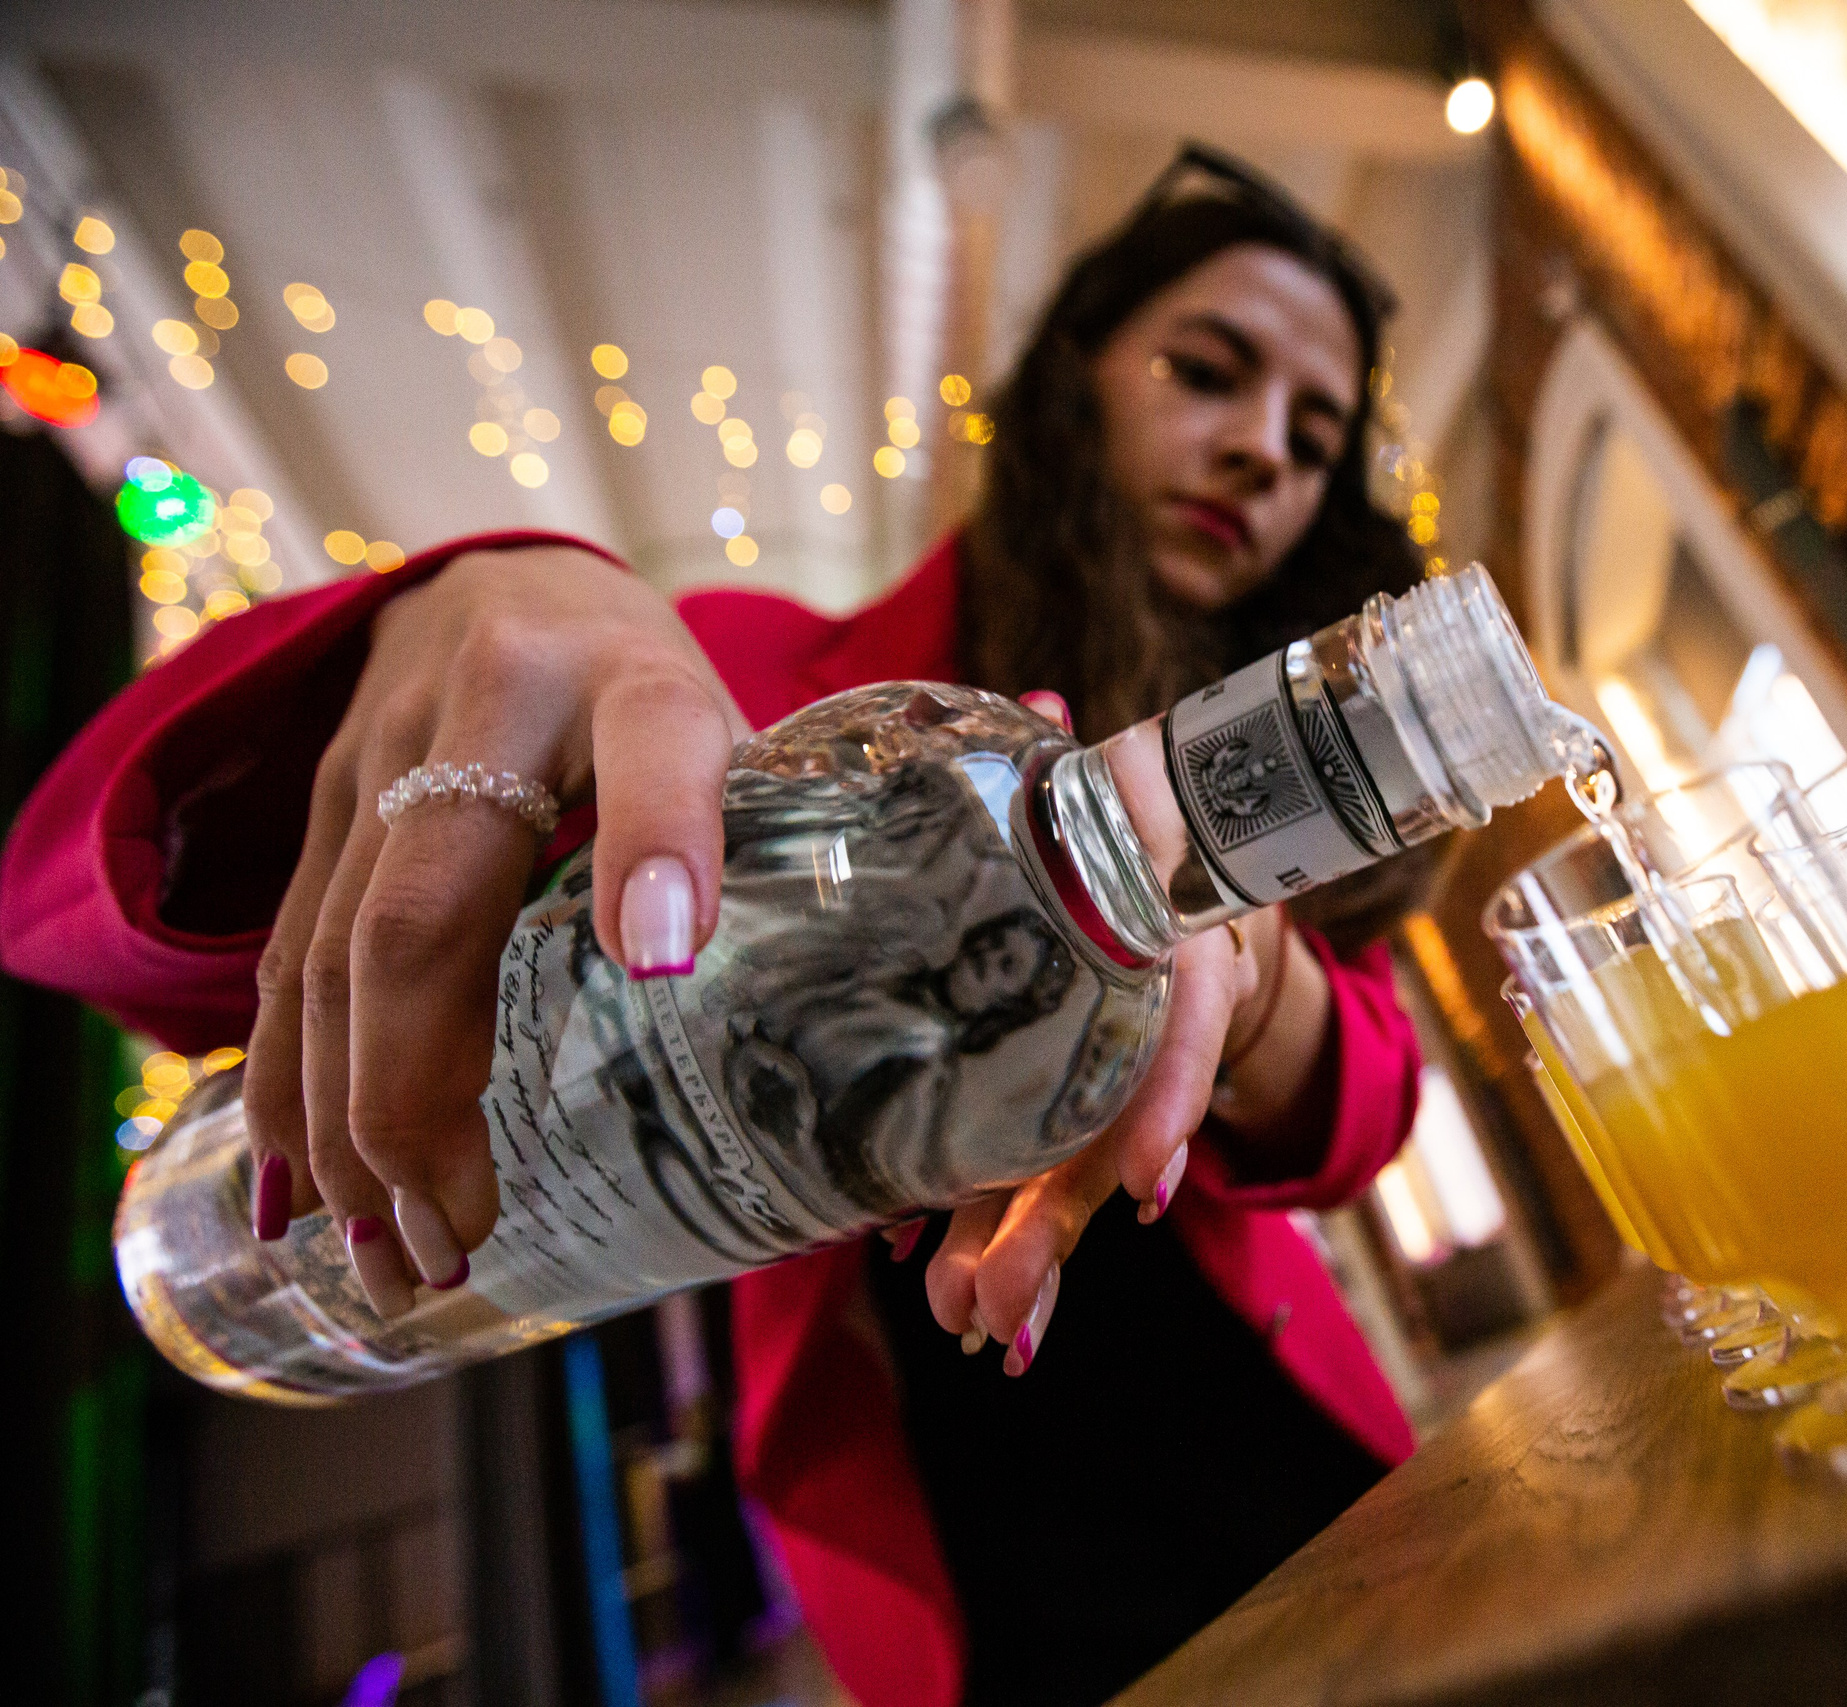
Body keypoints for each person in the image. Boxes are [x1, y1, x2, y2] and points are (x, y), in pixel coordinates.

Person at [0, 146, 1437, 1705]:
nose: (1261, 455)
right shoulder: (784, 690)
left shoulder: (1255, 783)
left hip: (1312, 1488)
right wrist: (476, 604)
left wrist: (1250, 948)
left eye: (1313, 437)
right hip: (987, 1570)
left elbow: (1372, 1103)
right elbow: (57, 910)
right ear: (1071, 381)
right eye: (1210, 372)